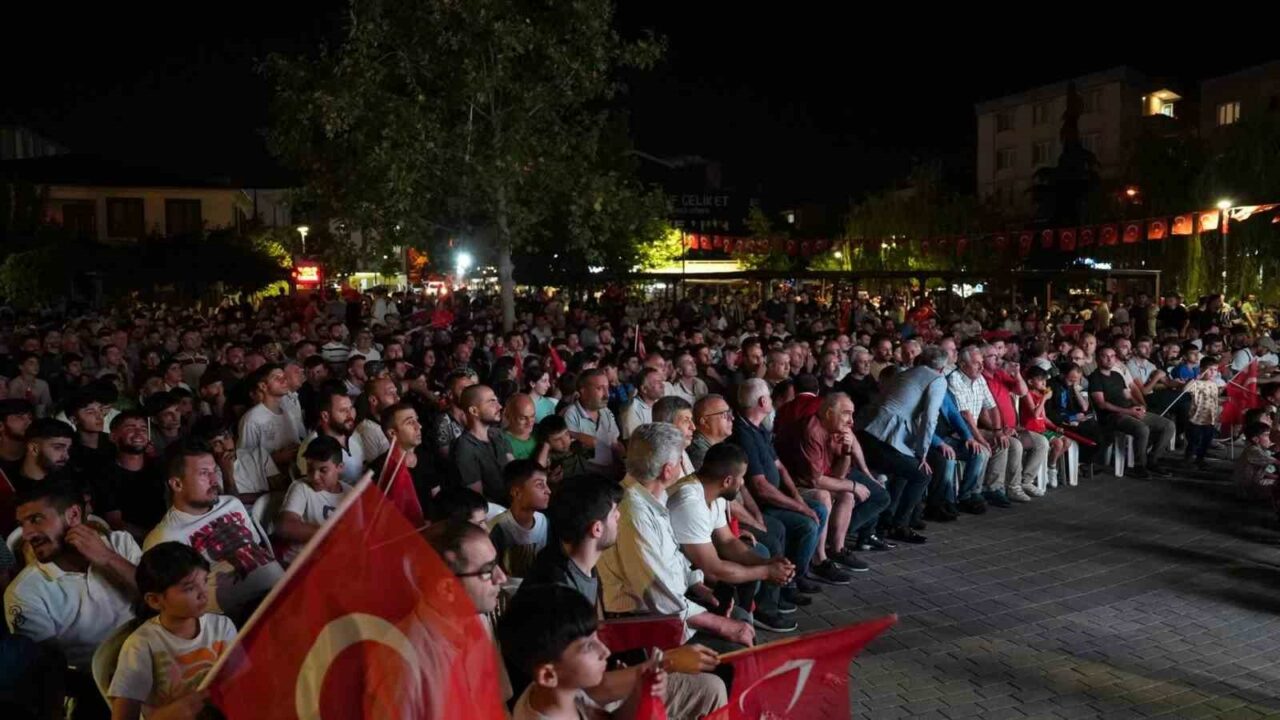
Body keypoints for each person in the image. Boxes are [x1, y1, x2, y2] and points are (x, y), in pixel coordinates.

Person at [598, 423, 756, 651]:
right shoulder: (634, 514)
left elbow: (671, 558)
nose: (685, 465)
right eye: (681, 459)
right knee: (737, 640)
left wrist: (697, 586)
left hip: (669, 606)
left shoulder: (652, 498)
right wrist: (721, 625)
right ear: (667, 470)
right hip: (645, 622)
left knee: (737, 614)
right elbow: (660, 597)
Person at [6, 482, 140, 683]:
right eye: (22, 524)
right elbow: (51, 671)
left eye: (36, 519)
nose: (27, 534)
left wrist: (109, 558)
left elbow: (161, 598)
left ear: (74, 515)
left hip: (154, 653)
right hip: (94, 685)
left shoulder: (120, 543)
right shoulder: (25, 592)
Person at [143, 441, 285, 624]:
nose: (214, 480)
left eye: (213, 471)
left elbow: (257, 547)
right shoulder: (164, 538)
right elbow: (174, 604)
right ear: (177, 484)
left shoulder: (231, 504)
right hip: (238, 621)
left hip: (281, 592)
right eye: (204, 473)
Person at [667, 443, 797, 633]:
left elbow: (727, 541)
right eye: (742, 477)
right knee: (746, 579)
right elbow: (713, 569)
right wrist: (766, 571)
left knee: (752, 565)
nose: (743, 483)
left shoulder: (714, 491)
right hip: (677, 586)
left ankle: (743, 621)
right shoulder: (690, 502)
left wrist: (765, 562)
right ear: (727, 480)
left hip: (692, 573)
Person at [731, 379, 842, 590]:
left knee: (818, 508)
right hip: (762, 504)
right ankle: (790, 582)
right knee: (808, 522)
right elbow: (761, 487)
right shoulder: (743, 434)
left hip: (774, 496)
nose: (772, 401)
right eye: (770, 398)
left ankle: (800, 571)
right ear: (763, 401)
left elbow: (780, 466)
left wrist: (798, 497)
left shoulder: (758, 429)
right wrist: (800, 507)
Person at [498, 586, 671, 720]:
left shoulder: (566, 693)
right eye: (588, 646)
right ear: (548, 675)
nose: (605, 651)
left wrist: (639, 694)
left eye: (596, 637)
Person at [107, 543, 236, 720]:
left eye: (205, 581)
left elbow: (237, 678)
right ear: (154, 600)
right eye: (190, 588)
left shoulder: (222, 626)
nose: (203, 594)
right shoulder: (141, 645)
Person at [775, 392, 883, 573]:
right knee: (824, 495)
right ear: (829, 413)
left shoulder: (834, 430)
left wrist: (847, 451)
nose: (851, 421)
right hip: (789, 485)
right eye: (846, 413)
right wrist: (854, 485)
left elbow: (838, 476)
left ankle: (837, 550)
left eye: (852, 414)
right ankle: (818, 559)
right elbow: (814, 480)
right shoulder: (812, 430)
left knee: (847, 496)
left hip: (809, 482)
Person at [856, 346, 948, 543]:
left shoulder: (908, 373)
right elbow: (930, 418)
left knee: (902, 474)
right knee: (923, 474)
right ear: (942, 367)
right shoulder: (937, 379)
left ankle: (885, 524)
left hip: (868, 433)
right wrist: (922, 453)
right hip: (885, 438)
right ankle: (899, 525)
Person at [1089, 346, 1176, 479]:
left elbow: (1128, 395)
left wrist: (1139, 405)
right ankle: (1139, 465)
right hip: (1113, 416)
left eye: (1112, 356)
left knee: (1168, 425)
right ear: (1098, 359)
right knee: (1142, 429)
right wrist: (1128, 411)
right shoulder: (1095, 378)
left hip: (1130, 410)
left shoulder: (1117, 375)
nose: (1109, 359)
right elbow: (1102, 404)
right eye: (1105, 356)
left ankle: (1152, 460)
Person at [276, 436, 352, 566]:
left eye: (323, 470)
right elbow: (286, 527)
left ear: (339, 467)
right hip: (303, 563)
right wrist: (331, 533)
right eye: (310, 468)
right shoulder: (301, 488)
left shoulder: (350, 492)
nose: (315, 477)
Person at [452, 385, 515, 505]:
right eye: (492, 401)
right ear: (474, 411)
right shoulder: (465, 448)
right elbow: (478, 499)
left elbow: (515, 470)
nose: (500, 406)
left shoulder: (497, 434)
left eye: (497, 400)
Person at [488, 459, 550, 578]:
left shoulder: (543, 521)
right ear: (516, 492)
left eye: (547, 484)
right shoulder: (497, 527)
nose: (548, 491)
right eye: (540, 485)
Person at [295, 382, 367, 485]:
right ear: (325, 416)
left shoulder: (354, 435)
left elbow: (363, 468)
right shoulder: (311, 446)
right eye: (343, 411)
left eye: (350, 408)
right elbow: (312, 489)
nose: (350, 415)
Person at [236, 364, 301, 472]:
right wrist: (276, 458)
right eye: (277, 378)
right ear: (263, 386)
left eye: (284, 377)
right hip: (266, 481)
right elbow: (244, 460)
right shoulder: (252, 419)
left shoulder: (288, 412)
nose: (284, 381)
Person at [564, 370, 623, 480]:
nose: (607, 395)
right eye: (600, 388)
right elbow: (573, 457)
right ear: (583, 391)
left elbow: (614, 443)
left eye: (607, 388)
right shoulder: (570, 415)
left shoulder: (606, 411)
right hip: (587, 480)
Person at [1019, 367, 1070, 487]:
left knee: (1067, 442)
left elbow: (1043, 417)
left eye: (1045, 380)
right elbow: (1035, 414)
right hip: (1032, 430)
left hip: (1042, 428)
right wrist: (1044, 399)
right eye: (1040, 380)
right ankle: (1051, 469)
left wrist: (1054, 427)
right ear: (1031, 382)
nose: (1044, 383)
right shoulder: (1028, 394)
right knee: (1058, 443)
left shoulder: (1041, 394)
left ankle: (1050, 465)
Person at [1184, 357, 1222, 470]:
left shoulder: (1214, 384)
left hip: (1209, 419)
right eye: (1209, 369)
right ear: (1202, 369)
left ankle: (1200, 459)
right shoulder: (1197, 383)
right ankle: (1188, 460)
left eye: (1215, 370)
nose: (1212, 372)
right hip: (1196, 418)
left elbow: (1213, 400)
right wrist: (1195, 379)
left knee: (1206, 441)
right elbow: (1185, 390)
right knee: (1194, 441)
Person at [652, 396, 697, 476]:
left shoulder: (681, 451)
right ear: (667, 425)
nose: (693, 427)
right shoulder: (657, 461)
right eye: (686, 421)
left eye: (691, 420)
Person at [688, 394, 733, 470]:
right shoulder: (698, 453)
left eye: (730, 413)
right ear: (705, 422)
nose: (732, 418)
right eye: (724, 414)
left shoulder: (718, 447)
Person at [620, 368, 664, 441]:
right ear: (644, 389)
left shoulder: (661, 404)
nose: (662, 385)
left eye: (661, 381)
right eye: (657, 382)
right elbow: (632, 442)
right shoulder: (631, 410)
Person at [8, 352, 52, 418]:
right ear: (21, 366)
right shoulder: (14, 384)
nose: (36, 366)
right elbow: (12, 406)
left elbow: (47, 405)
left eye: (37, 363)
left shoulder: (43, 384)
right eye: (31, 363)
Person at [503, 393, 538, 461]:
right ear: (508, 416)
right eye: (523, 418)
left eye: (532, 416)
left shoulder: (538, 433)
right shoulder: (501, 441)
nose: (530, 422)